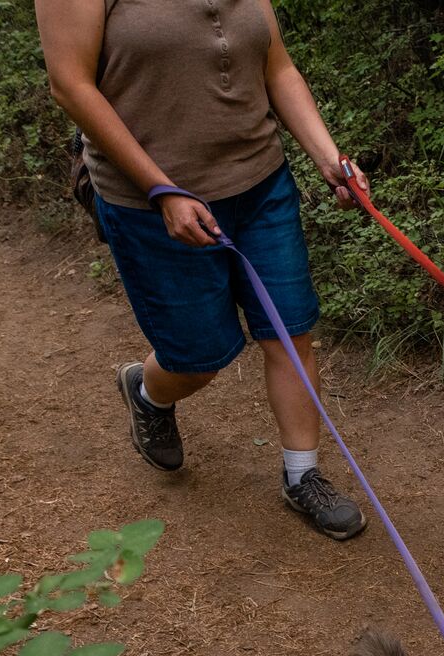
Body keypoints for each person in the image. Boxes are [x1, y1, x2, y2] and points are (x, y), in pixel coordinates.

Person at [35, 0, 368, 539]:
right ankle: (149, 391)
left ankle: (302, 476)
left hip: (260, 185)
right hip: (150, 205)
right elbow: (70, 85)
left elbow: (276, 65)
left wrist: (329, 159)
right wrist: (161, 190)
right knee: (198, 360)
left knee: (290, 332)